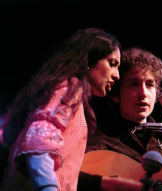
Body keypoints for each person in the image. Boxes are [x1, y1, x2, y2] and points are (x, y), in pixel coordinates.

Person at [0, 27, 122, 191]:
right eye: (112, 64)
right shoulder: (70, 87)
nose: (117, 75)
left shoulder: (69, 93)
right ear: (89, 60)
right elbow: (39, 144)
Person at [77, 46, 162, 191]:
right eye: (134, 84)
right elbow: (75, 179)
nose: (143, 93)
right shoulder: (97, 137)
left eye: (149, 85)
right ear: (116, 94)